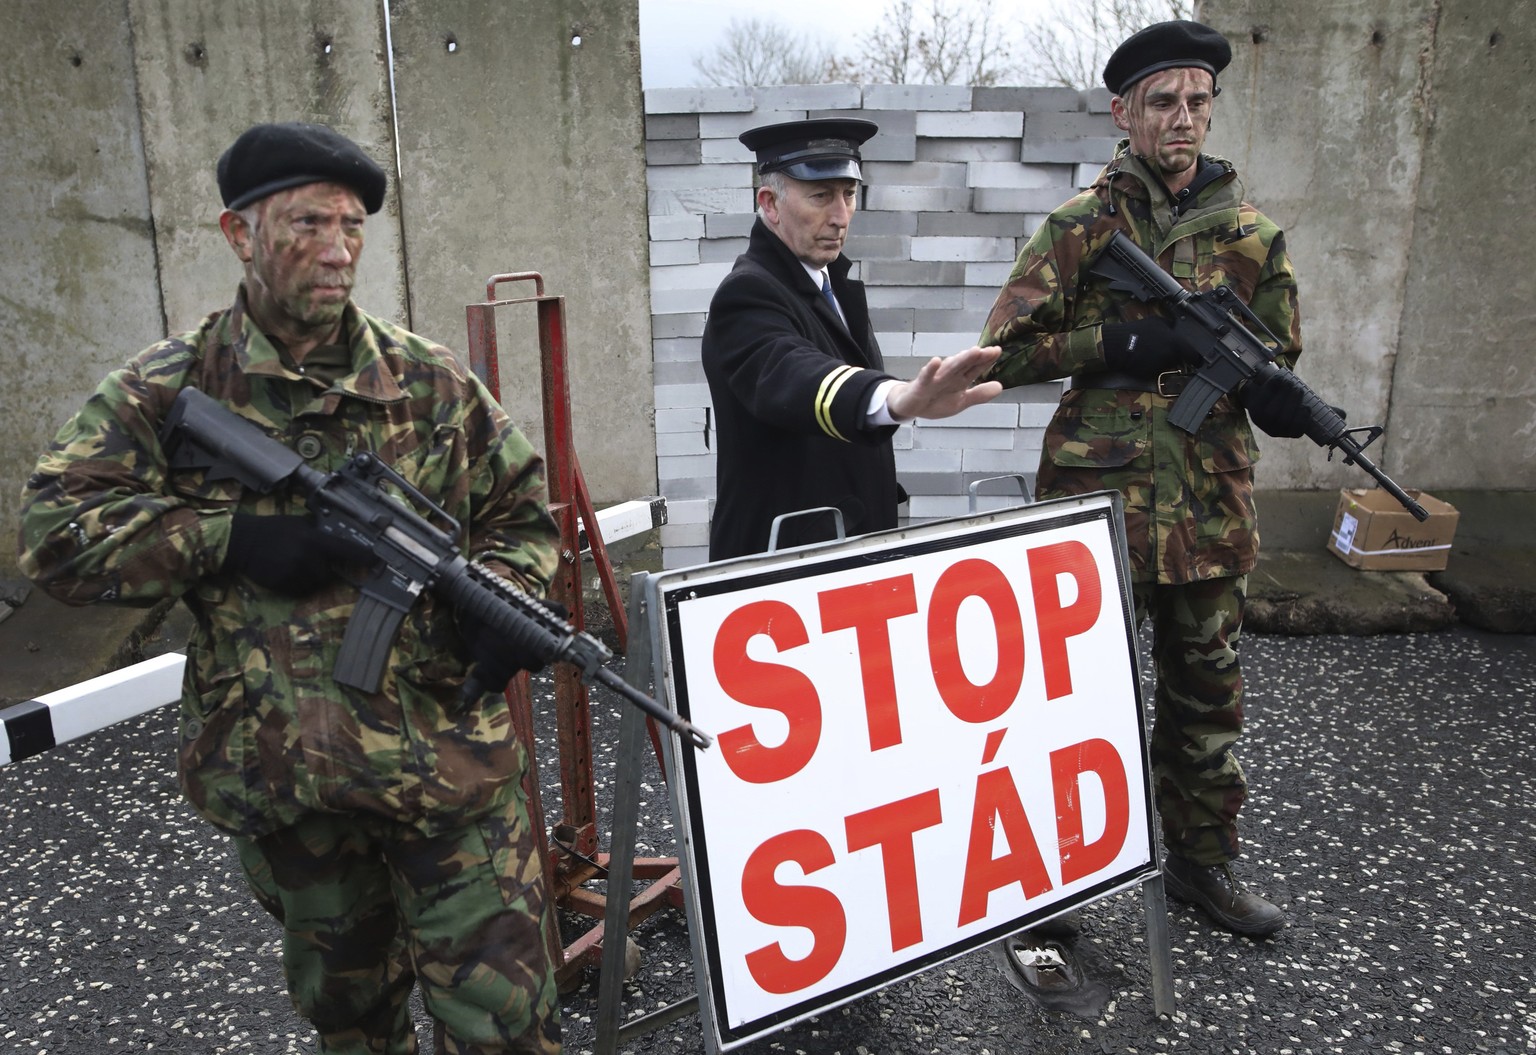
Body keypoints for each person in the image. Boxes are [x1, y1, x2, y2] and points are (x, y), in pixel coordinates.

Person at [17, 122, 565, 1052]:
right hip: (287, 779)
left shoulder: (426, 383)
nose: (338, 250)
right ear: (239, 233)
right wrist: (228, 539)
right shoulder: (167, 389)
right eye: (309, 223)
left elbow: (522, 514)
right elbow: (54, 534)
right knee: (349, 1020)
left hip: (447, 768)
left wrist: (508, 604)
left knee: (507, 1020)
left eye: (351, 227)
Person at [978, 21, 1315, 938]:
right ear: (1123, 112)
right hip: (1097, 501)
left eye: (1198, 101)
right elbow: (999, 354)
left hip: (1210, 500)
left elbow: (1277, 357)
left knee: (1208, 694)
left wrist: (1281, 398)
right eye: (1163, 102)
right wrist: (1116, 343)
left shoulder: (1253, 238)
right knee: (1075, 701)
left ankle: (1203, 866)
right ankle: (1051, 888)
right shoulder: (1082, 227)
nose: (1183, 119)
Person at [702, 118, 1002, 560]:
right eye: (820, 196)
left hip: (841, 550)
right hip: (783, 565)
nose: (840, 216)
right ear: (770, 204)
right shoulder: (747, 292)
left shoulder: (830, 282)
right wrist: (894, 398)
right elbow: (793, 375)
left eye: (848, 194)